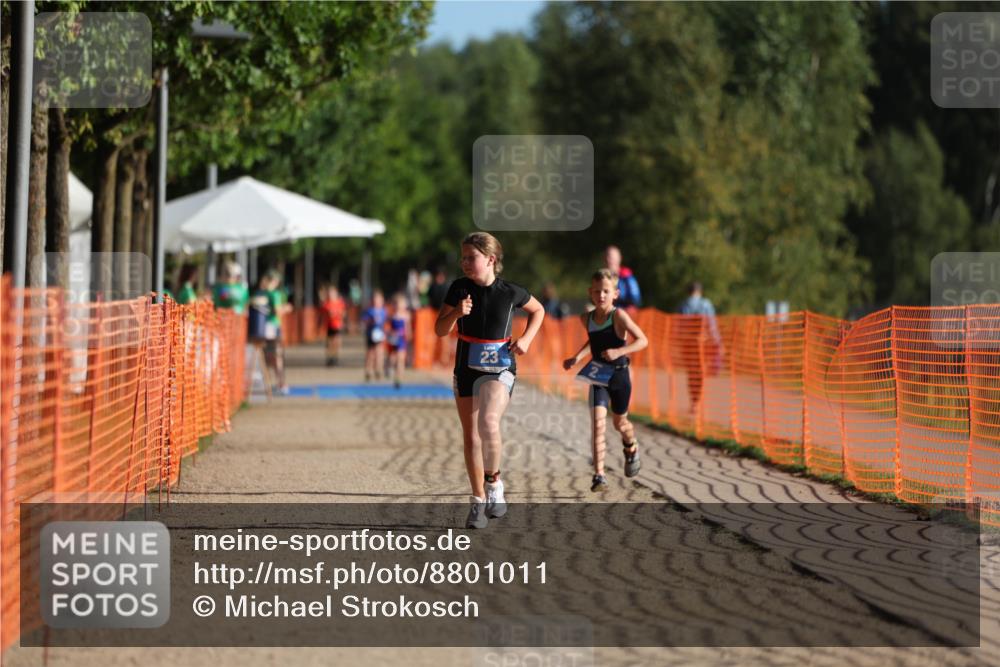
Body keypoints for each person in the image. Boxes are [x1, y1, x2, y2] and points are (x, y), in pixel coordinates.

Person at [435, 232, 545, 529]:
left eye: (471, 258)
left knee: (489, 423)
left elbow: (538, 310)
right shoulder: (458, 289)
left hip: (500, 366)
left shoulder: (510, 291)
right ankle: (477, 502)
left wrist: (527, 339)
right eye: (463, 258)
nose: (465, 263)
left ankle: (494, 482)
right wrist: (457, 313)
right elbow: (440, 330)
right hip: (466, 366)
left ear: (491, 259)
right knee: (471, 436)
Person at [563, 269, 649, 491]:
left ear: (616, 294)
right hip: (599, 376)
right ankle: (599, 475)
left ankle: (631, 447)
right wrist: (576, 357)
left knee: (620, 423)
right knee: (598, 425)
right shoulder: (587, 318)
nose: (601, 295)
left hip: (619, 374)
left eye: (606, 291)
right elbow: (593, 341)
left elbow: (642, 340)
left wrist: (619, 352)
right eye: (597, 291)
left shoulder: (618, 316)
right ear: (590, 293)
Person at [678, 281, 720, 413]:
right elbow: (712, 325)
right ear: (700, 291)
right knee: (700, 372)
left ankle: (693, 402)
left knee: (691, 373)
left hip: (687, 343)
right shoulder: (706, 304)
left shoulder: (683, 305)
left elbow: (679, 326)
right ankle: (697, 401)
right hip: (703, 343)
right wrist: (716, 341)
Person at [250, 270, 292, 395]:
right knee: (277, 356)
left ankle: (266, 384)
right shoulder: (274, 295)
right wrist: (287, 308)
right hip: (273, 327)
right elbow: (277, 311)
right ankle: (281, 384)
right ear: (275, 281)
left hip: (260, 329)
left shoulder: (258, 293)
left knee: (264, 357)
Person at [604, 245, 642, 312]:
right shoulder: (602, 278)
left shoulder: (626, 277)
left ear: (619, 259)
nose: (608, 260)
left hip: (625, 313)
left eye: (611, 258)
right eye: (606, 257)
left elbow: (635, 300)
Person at [362, 289, 388, 382]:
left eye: (379, 300)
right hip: (370, 334)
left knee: (380, 352)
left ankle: (379, 370)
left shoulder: (384, 311)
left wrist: (386, 332)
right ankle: (368, 371)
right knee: (370, 353)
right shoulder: (369, 311)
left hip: (380, 334)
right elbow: (364, 321)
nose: (377, 302)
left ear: (382, 301)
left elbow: (386, 323)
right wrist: (370, 321)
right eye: (375, 300)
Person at [386, 293, 410, 389]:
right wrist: (390, 333)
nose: (399, 306)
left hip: (401, 340)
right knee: (392, 358)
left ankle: (398, 379)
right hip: (393, 339)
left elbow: (407, 327)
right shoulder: (392, 315)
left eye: (402, 304)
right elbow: (387, 327)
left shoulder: (406, 315)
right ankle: (389, 367)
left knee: (401, 359)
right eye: (397, 304)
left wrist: (408, 334)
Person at [322, 284, 347, 367]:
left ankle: (335, 357)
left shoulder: (340, 302)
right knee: (329, 343)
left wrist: (339, 314)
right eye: (330, 293)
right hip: (329, 325)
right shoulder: (327, 303)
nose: (331, 295)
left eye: (333, 293)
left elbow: (344, 313)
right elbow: (323, 314)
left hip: (338, 325)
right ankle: (329, 358)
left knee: (337, 342)